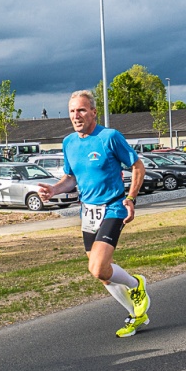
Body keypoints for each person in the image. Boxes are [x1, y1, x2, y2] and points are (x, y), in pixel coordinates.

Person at [37, 90, 151, 338]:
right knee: (102, 275)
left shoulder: (109, 137)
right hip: (87, 212)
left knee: (99, 268)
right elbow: (71, 178)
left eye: (81, 110)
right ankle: (136, 314)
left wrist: (131, 198)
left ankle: (136, 285)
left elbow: (137, 166)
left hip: (113, 206)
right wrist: (54, 189)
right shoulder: (69, 143)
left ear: (93, 112)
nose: (76, 115)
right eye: (72, 111)